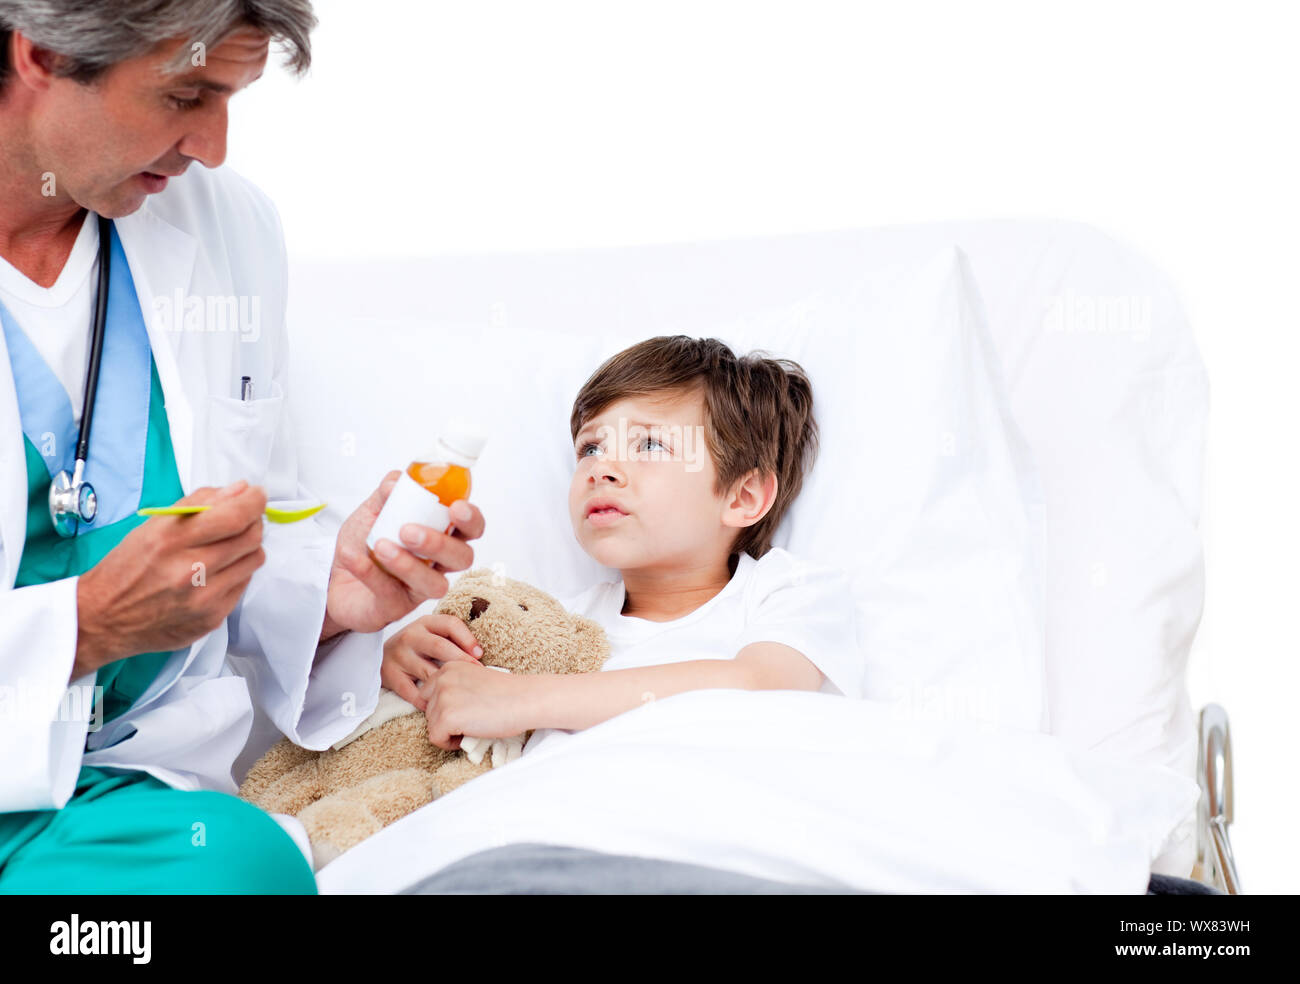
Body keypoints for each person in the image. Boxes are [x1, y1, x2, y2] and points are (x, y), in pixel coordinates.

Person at [0, 1, 484, 893]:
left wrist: (327, 594)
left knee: (241, 868)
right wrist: (82, 627)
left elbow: (253, 513)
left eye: (230, 99)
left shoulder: (228, 230)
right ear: (43, 53)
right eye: (186, 94)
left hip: (115, 793)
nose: (212, 147)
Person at [381, 336, 862, 758]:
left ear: (742, 497)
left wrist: (522, 699)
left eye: (649, 445)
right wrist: (403, 666)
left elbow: (759, 685)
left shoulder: (788, 593)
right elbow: (465, 704)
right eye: (590, 448)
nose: (601, 469)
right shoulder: (555, 624)